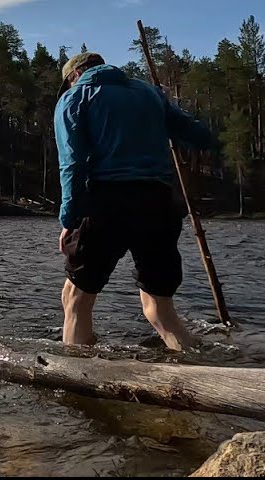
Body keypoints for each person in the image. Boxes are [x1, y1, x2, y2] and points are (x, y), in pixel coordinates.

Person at [53, 51, 218, 351]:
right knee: (159, 309)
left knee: (75, 299)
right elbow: (201, 135)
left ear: (73, 76)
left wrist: (69, 219)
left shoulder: (75, 98)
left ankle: (76, 379)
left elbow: (72, 164)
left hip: (107, 205)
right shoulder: (148, 93)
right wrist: (162, 108)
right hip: (158, 204)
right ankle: (204, 368)